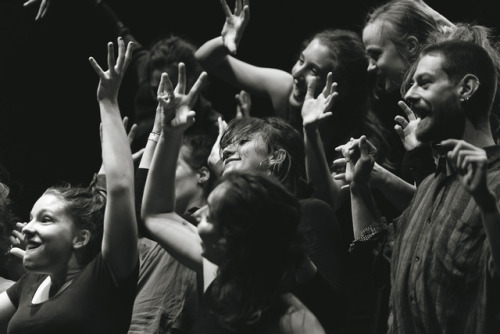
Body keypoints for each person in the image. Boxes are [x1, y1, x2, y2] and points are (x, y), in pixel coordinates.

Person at [141, 69, 345, 332]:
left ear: (276, 157)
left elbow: (333, 309)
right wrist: (170, 133)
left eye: (244, 141)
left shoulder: (308, 213)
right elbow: (156, 215)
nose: (226, 150)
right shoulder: (223, 263)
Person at [344, 40, 500, 333]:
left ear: (465, 89)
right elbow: (379, 258)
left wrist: (487, 206)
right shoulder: (429, 186)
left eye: (424, 83)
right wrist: (359, 189)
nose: (410, 94)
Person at [0, 37, 139, 333]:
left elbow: (120, 190)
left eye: (46, 219)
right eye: (34, 216)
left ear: (81, 237)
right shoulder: (32, 281)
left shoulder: (106, 276)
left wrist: (108, 101)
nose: (26, 227)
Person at [195, 0, 396, 170]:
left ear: (340, 88)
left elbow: (326, 200)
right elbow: (206, 60)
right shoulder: (285, 89)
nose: (297, 73)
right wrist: (225, 42)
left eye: (314, 71)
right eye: (301, 60)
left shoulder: (359, 138)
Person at [87, 0, 221, 153]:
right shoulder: (145, 66)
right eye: (155, 89)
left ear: (190, 82)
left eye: (169, 90)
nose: (160, 97)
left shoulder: (206, 118)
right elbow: (119, 30)